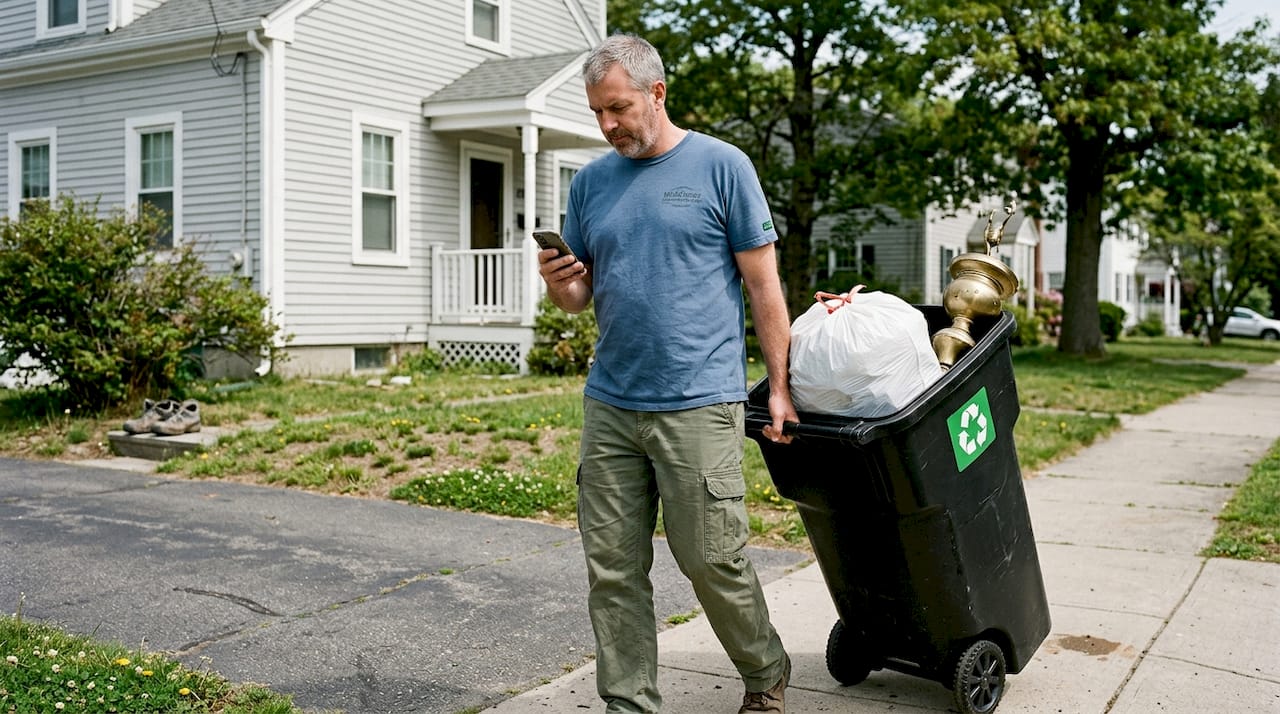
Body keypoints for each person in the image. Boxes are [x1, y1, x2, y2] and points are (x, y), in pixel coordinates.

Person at [536, 33, 798, 714]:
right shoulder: (590, 184)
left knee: (712, 558)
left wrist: (780, 387)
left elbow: (763, 286)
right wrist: (559, 281)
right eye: (597, 112)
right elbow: (579, 296)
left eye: (618, 108)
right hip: (611, 405)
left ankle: (765, 670)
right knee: (613, 569)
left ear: (657, 93)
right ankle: (629, 703)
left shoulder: (723, 166)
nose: (607, 125)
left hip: (699, 401)